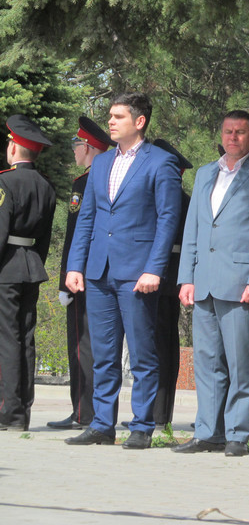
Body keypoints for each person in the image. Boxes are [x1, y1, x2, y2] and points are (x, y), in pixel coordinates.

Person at [64, 92, 182, 449]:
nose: (110, 121)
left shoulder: (161, 162)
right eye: (110, 115)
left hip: (137, 273)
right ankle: (102, 424)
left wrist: (154, 269)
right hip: (99, 271)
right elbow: (87, 218)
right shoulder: (102, 163)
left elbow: (168, 220)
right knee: (103, 353)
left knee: (143, 354)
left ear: (139, 121)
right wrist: (75, 265)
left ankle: (142, 426)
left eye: (118, 116)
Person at [173, 110, 249, 458]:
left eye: (240, 132)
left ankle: (237, 433)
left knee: (240, 363)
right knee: (206, 362)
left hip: (241, 283)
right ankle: (208, 432)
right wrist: (186, 277)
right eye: (227, 131)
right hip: (204, 281)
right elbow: (193, 229)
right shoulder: (205, 173)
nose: (233, 137)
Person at [47, 117, 114, 430]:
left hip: (82, 275)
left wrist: (65, 279)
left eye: (76, 145)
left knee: (81, 344)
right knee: (99, 344)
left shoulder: (84, 183)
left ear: (87, 147)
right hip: (103, 271)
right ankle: (93, 411)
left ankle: (82, 412)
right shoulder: (109, 178)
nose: (74, 150)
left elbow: (76, 235)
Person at [0, 115, 56, 431]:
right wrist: (36, 262)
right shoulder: (46, 185)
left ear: (14, 148)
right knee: (25, 338)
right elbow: (44, 238)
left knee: (7, 339)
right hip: (32, 266)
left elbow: (0, 232)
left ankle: (8, 412)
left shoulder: (5, 182)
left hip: (6, 268)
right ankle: (22, 410)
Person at [152, 139, 193, 427]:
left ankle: (155, 414)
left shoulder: (164, 196)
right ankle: (159, 413)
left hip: (160, 273)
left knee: (157, 345)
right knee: (165, 343)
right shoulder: (185, 197)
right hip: (174, 274)